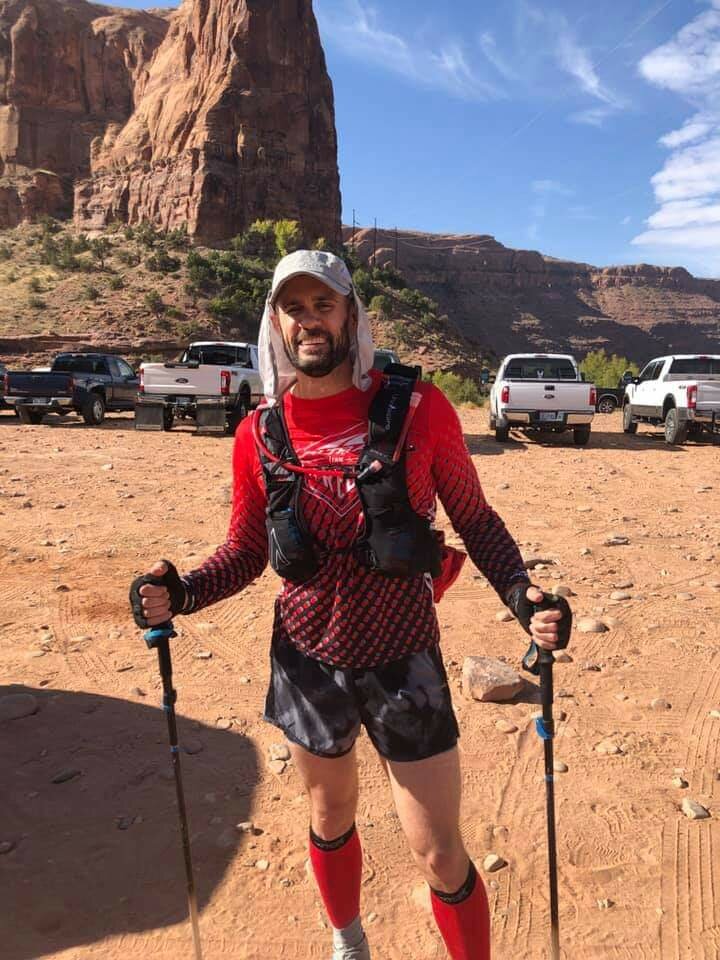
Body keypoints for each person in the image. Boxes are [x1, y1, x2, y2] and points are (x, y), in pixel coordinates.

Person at [130, 250, 572, 960]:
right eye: (294, 308)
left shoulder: (419, 410)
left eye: (323, 305)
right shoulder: (258, 434)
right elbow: (245, 550)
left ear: (351, 315)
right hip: (306, 658)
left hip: (403, 656)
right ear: (276, 324)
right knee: (329, 813)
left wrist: (523, 596)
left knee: (439, 852)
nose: (309, 320)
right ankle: (348, 940)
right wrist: (182, 592)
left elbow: (474, 518)